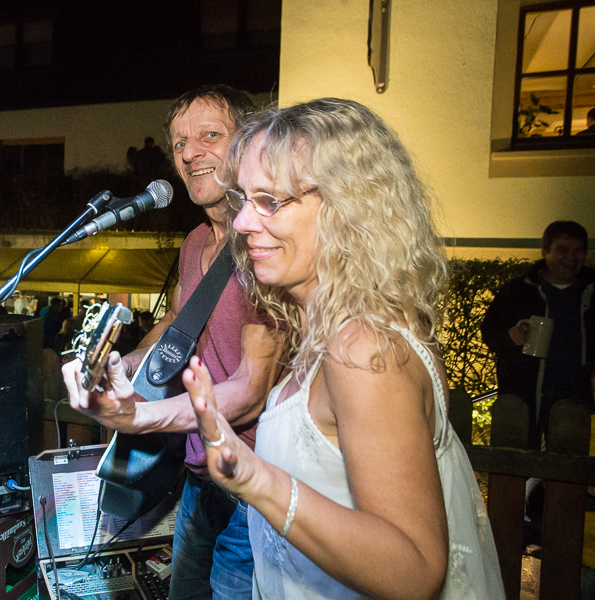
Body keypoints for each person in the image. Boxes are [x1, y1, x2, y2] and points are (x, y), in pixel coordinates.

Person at [161, 100, 503, 598]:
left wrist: (256, 479)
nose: (243, 221)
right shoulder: (328, 330)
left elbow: (413, 568)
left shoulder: (363, 348)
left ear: (347, 208)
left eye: (269, 201)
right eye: (244, 199)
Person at [63, 85, 287, 600]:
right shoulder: (195, 242)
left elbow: (250, 390)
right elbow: (177, 323)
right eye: (180, 143)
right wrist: (126, 362)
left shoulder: (266, 245)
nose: (189, 154)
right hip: (199, 480)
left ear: (248, 143)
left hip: (255, 488)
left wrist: (140, 417)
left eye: (210, 136)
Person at [481, 220, 595, 450]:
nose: (571, 258)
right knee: (518, 460)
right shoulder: (518, 290)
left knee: (568, 463)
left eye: (578, 250)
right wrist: (510, 337)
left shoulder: (592, 292)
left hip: (576, 395)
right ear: (545, 252)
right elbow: (490, 331)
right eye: (562, 250)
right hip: (524, 394)